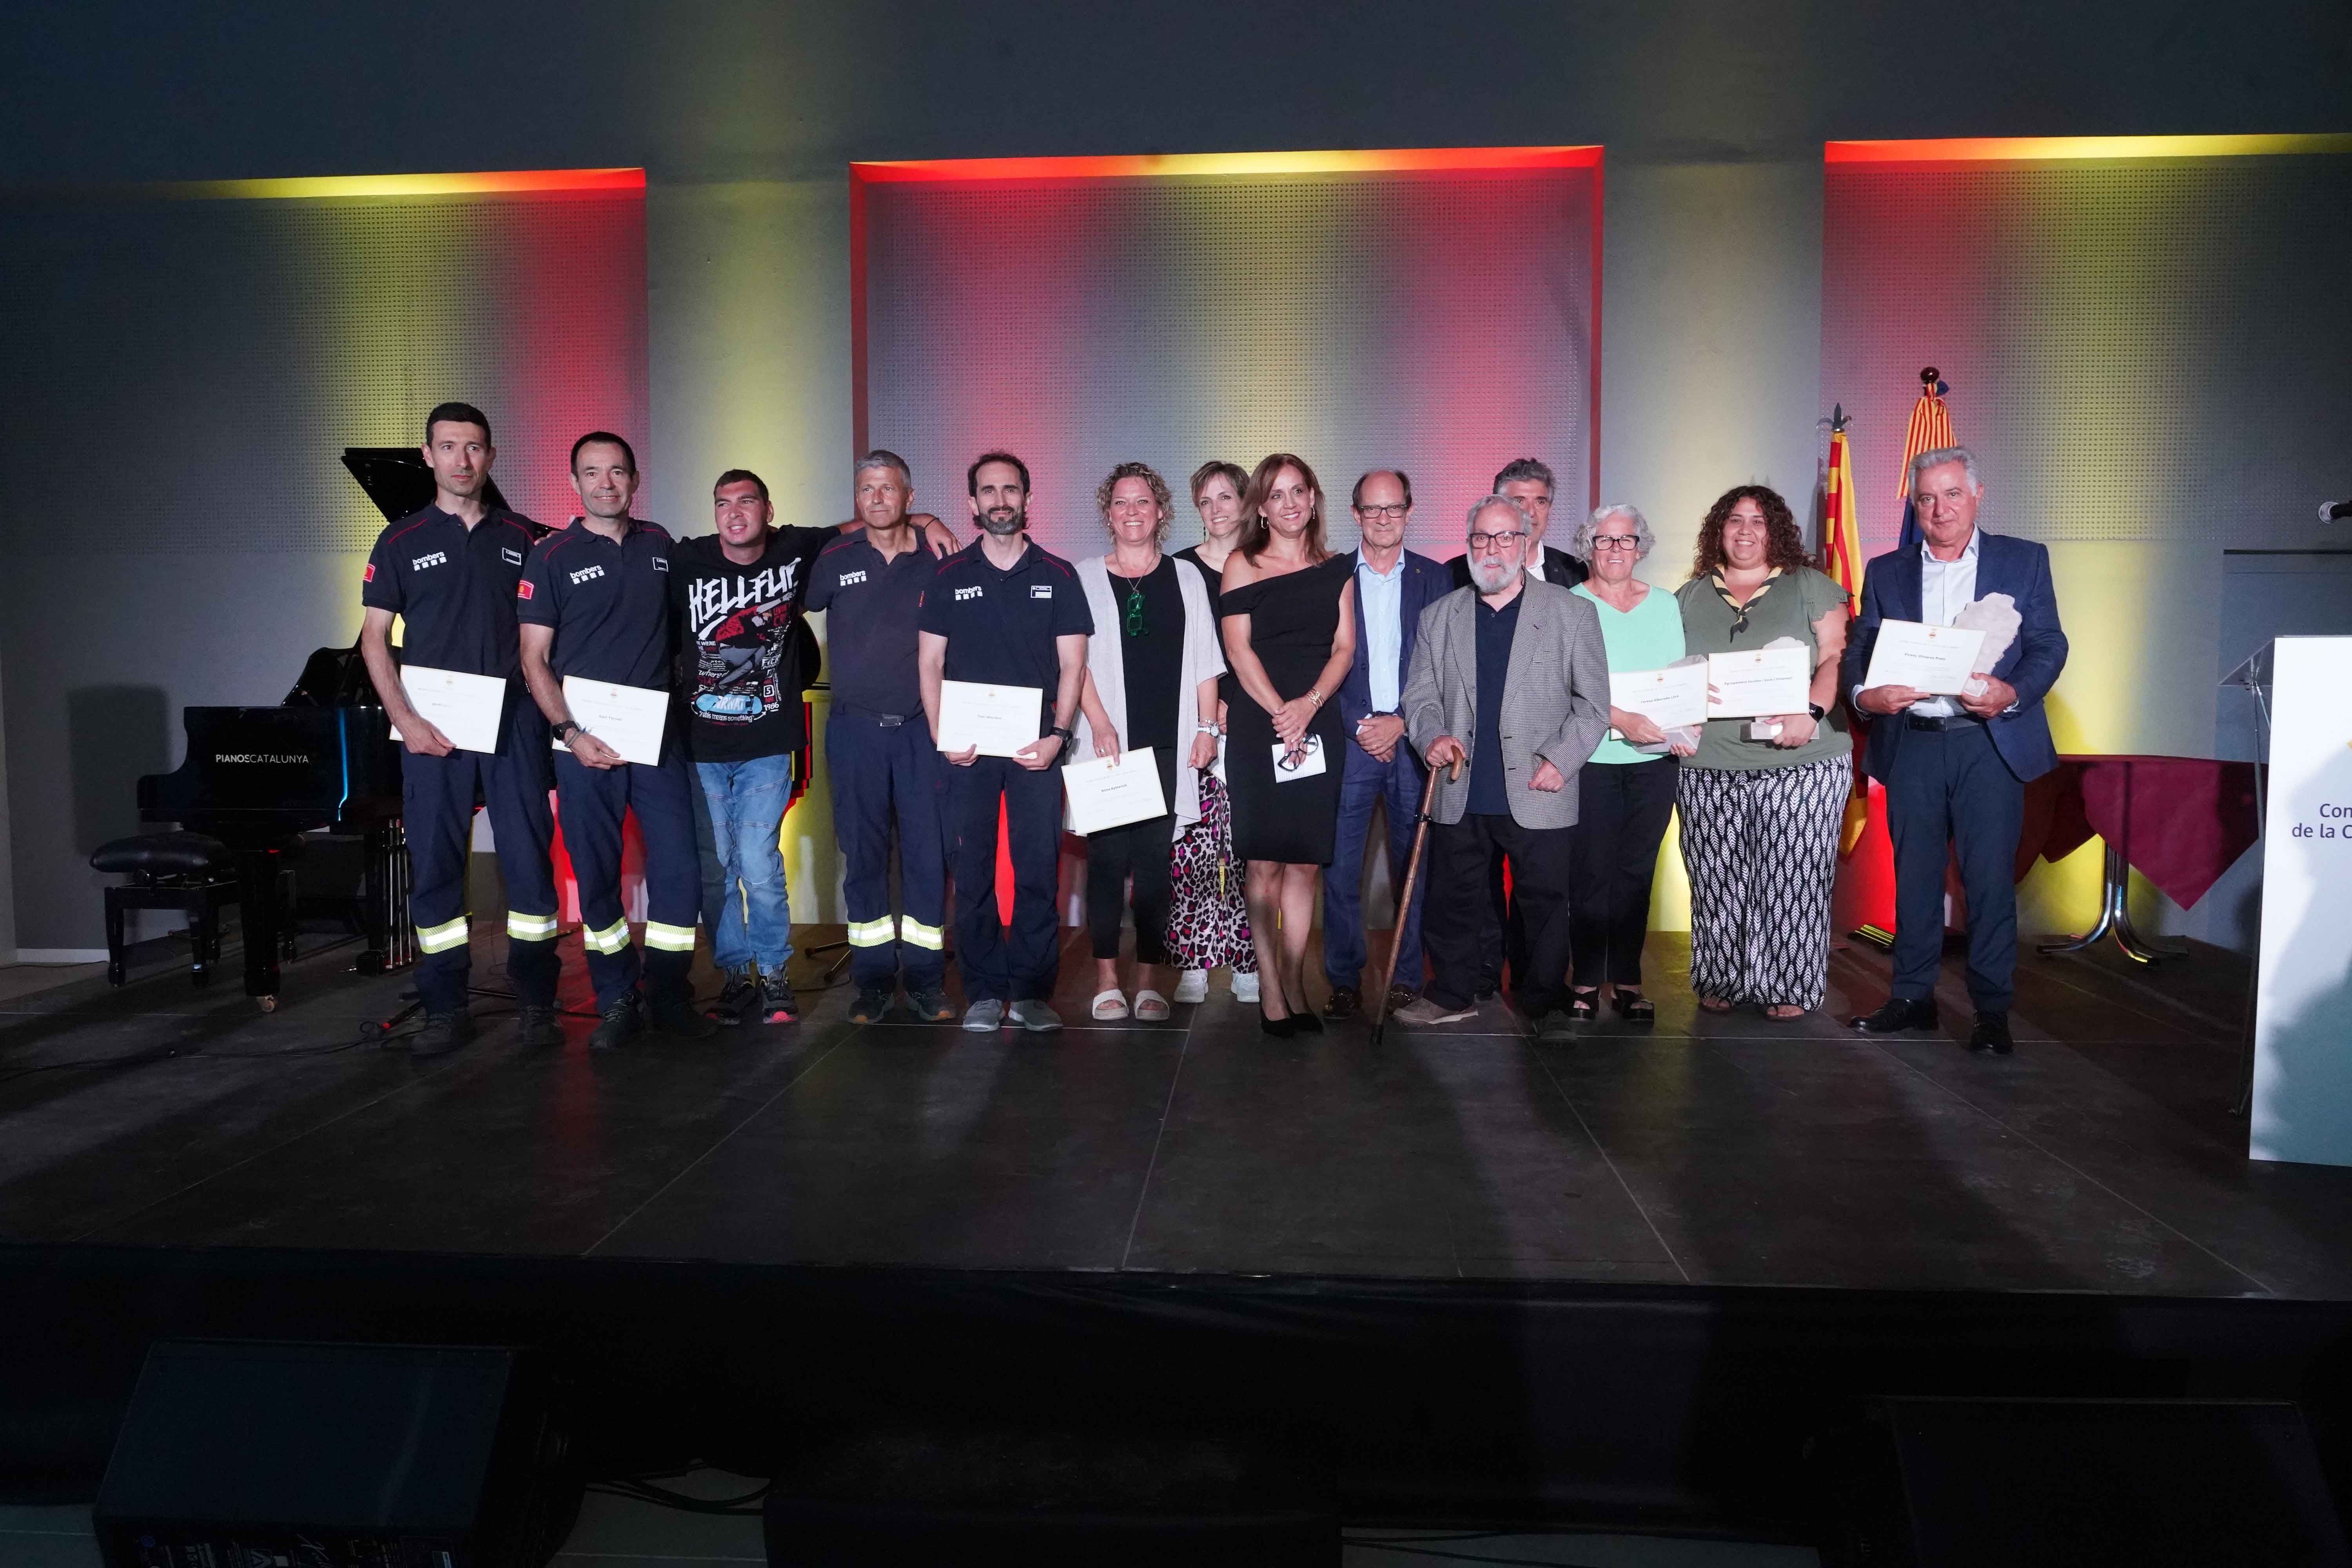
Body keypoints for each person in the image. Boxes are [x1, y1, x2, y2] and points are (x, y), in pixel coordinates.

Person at [1845, 446, 2068, 1056]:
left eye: (1951, 495)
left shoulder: (2023, 560)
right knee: (1913, 880)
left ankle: (1991, 1011)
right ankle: (1912, 999)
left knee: (1988, 882)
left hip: (1987, 745)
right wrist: (1868, 695)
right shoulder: (1887, 570)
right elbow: (1859, 652)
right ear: (1913, 504)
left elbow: (2049, 644)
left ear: (1977, 494)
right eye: (1926, 498)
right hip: (1913, 744)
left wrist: (2012, 691)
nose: (1939, 509)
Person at [357, 401, 561, 1056]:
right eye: (449, 447)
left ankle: (537, 1004)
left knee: (529, 867)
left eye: (474, 448)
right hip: (432, 733)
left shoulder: (528, 539)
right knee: (439, 868)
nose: (462, 460)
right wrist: (405, 722)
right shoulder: (399, 542)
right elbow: (372, 641)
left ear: (490, 458)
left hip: (516, 725)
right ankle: (445, 1009)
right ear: (429, 456)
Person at [519, 432, 716, 1048]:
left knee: (681, 870)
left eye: (618, 472)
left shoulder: (661, 546)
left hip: (658, 741)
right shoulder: (549, 557)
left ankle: (667, 990)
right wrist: (571, 734)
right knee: (597, 875)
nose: (607, 483)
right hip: (583, 746)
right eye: (593, 472)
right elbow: (534, 660)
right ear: (574, 483)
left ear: (635, 480)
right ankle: (615, 997)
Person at [1396, 495, 1611, 1037]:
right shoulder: (1438, 617)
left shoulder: (1571, 612)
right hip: (1460, 784)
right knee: (1454, 900)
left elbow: (1594, 707)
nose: (1492, 550)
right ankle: (1452, 993)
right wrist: (1431, 738)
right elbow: (1420, 699)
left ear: (1525, 542)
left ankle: (1538, 1000)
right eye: (1481, 539)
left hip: (1540, 785)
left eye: (1504, 538)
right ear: (1468, 546)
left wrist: (1561, 763)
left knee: (1542, 903)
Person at [918, 451, 1091, 1033]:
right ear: (972, 505)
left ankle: (1035, 991)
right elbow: (930, 662)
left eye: (1010, 490)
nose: (1000, 500)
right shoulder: (947, 576)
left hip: (1035, 751)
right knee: (972, 872)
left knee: (1039, 869)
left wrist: (1059, 738)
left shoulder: (1059, 575)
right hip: (966, 750)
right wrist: (944, 736)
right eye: (988, 491)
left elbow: (1073, 666)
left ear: (1028, 499)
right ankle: (986, 991)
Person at [1672, 484, 1853, 1019]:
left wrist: (1812, 713)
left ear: (1776, 530)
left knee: (1794, 878)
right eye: (1734, 520)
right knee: (1715, 878)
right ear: (1717, 530)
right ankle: (1721, 976)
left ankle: (1788, 985)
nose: (1745, 530)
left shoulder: (1811, 586)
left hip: (1801, 761)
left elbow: (1835, 657)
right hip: (1708, 763)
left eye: (1758, 520)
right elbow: (1672, 668)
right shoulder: (1689, 595)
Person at [805, 451, 962, 1025]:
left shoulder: (940, 558)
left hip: (924, 733)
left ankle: (925, 981)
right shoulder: (834, 558)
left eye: (887, 488)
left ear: (909, 496)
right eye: (866, 489)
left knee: (927, 857)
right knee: (863, 857)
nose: (876, 498)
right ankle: (871, 982)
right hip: (854, 732)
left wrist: (931, 525)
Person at [670, 468, 826, 1029]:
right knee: (716, 869)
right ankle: (736, 975)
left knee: (758, 864)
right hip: (699, 746)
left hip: (765, 741)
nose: (734, 513)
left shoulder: (795, 549)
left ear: (768, 509)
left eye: (746, 502)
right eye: (722, 504)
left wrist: (923, 519)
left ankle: (775, 974)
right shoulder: (687, 561)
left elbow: (860, 529)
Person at [1071, 463, 1225, 1022]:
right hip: (1105, 745)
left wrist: (1207, 730)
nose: (1132, 511)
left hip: (1170, 744)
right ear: (1107, 513)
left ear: (1161, 511)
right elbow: (1075, 661)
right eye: (1121, 502)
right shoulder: (1084, 577)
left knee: (1157, 872)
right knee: (1109, 864)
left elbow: (1208, 660)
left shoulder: (1185, 577)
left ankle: (1149, 979)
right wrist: (1101, 722)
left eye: (1143, 502)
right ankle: (1108, 979)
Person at [1218, 454, 1357, 1036]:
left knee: (1305, 865)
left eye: (1299, 491)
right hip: (1261, 727)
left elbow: (1344, 649)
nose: (1291, 503)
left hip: (1316, 725)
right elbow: (1239, 651)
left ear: (1314, 498)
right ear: (1262, 507)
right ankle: (1271, 988)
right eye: (1277, 495)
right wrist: (1282, 712)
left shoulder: (1336, 569)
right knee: (1264, 862)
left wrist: (1309, 708)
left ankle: (1297, 982)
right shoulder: (1242, 565)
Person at [1447, 458, 1588, 1003]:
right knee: (1473, 888)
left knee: (1546, 889)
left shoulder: (1576, 579)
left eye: (1539, 503)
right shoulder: (1456, 580)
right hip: (1475, 769)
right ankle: (1480, 977)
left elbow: (1590, 686)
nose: (1528, 514)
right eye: (1516, 503)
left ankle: (1539, 988)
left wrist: (1564, 756)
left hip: (1551, 766)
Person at [1322, 469, 1448, 1020]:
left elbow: (1445, 666)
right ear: (1355, 515)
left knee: (1412, 868)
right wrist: (1358, 725)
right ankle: (1344, 979)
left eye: (1393, 508)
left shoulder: (1435, 579)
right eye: (1372, 510)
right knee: (1340, 869)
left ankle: (1404, 976)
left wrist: (1400, 721)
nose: (1383, 518)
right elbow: (1317, 662)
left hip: (1411, 741)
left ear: (1409, 510)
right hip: (1349, 742)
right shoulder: (1328, 577)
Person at [1566, 504, 1693, 1023]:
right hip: (1592, 756)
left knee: (1637, 872)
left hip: (1655, 760)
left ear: (1641, 548)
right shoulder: (1570, 604)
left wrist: (1687, 726)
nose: (1615, 550)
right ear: (1587, 547)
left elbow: (1678, 677)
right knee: (1591, 873)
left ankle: (1629, 979)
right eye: (1604, 540)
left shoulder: (1664, 605)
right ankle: (1585, 979)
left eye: (1626, 540)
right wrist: (1621, 721)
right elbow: (1566, 686)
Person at [1166, 461, 1259, 1004]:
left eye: (1227, 497)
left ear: (1245, 504)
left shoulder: (1267, 566)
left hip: (1254, 726)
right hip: (1194, 725)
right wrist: (1208, 706)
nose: (1217, 509)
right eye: (1206, 500)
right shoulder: (1177, 570)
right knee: (1193, 850)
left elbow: (1275, 651)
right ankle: (1195, 962)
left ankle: (1248, 961)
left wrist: (1240, 704)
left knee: (1248, 850)